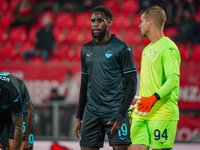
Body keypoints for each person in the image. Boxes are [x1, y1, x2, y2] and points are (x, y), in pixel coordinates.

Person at [75, 6, 137, 150]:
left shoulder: (122, 48)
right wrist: (79, 116)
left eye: (100, 21)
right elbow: (84, 84)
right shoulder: (85, 49)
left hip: (115, 112)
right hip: (91, 113)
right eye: (93, 21)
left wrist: (122, 114)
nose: (95, 24)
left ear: (109, 23)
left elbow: (132, 84)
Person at [128, 6, 181, 150]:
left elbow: (173, 81)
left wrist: (153, 98)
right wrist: (139, 104)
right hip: (143, 111)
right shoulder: (147, 49)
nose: (140, 25)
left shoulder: (168, 48)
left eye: (142, 21)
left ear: (150, 22)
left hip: (162, 112)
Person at [0, 73, 34, 150]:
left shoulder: (13, 92)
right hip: (3, 111)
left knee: (16, 147)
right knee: (5, 146)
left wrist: (26, 137)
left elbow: (18, 126)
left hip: (18, 113)